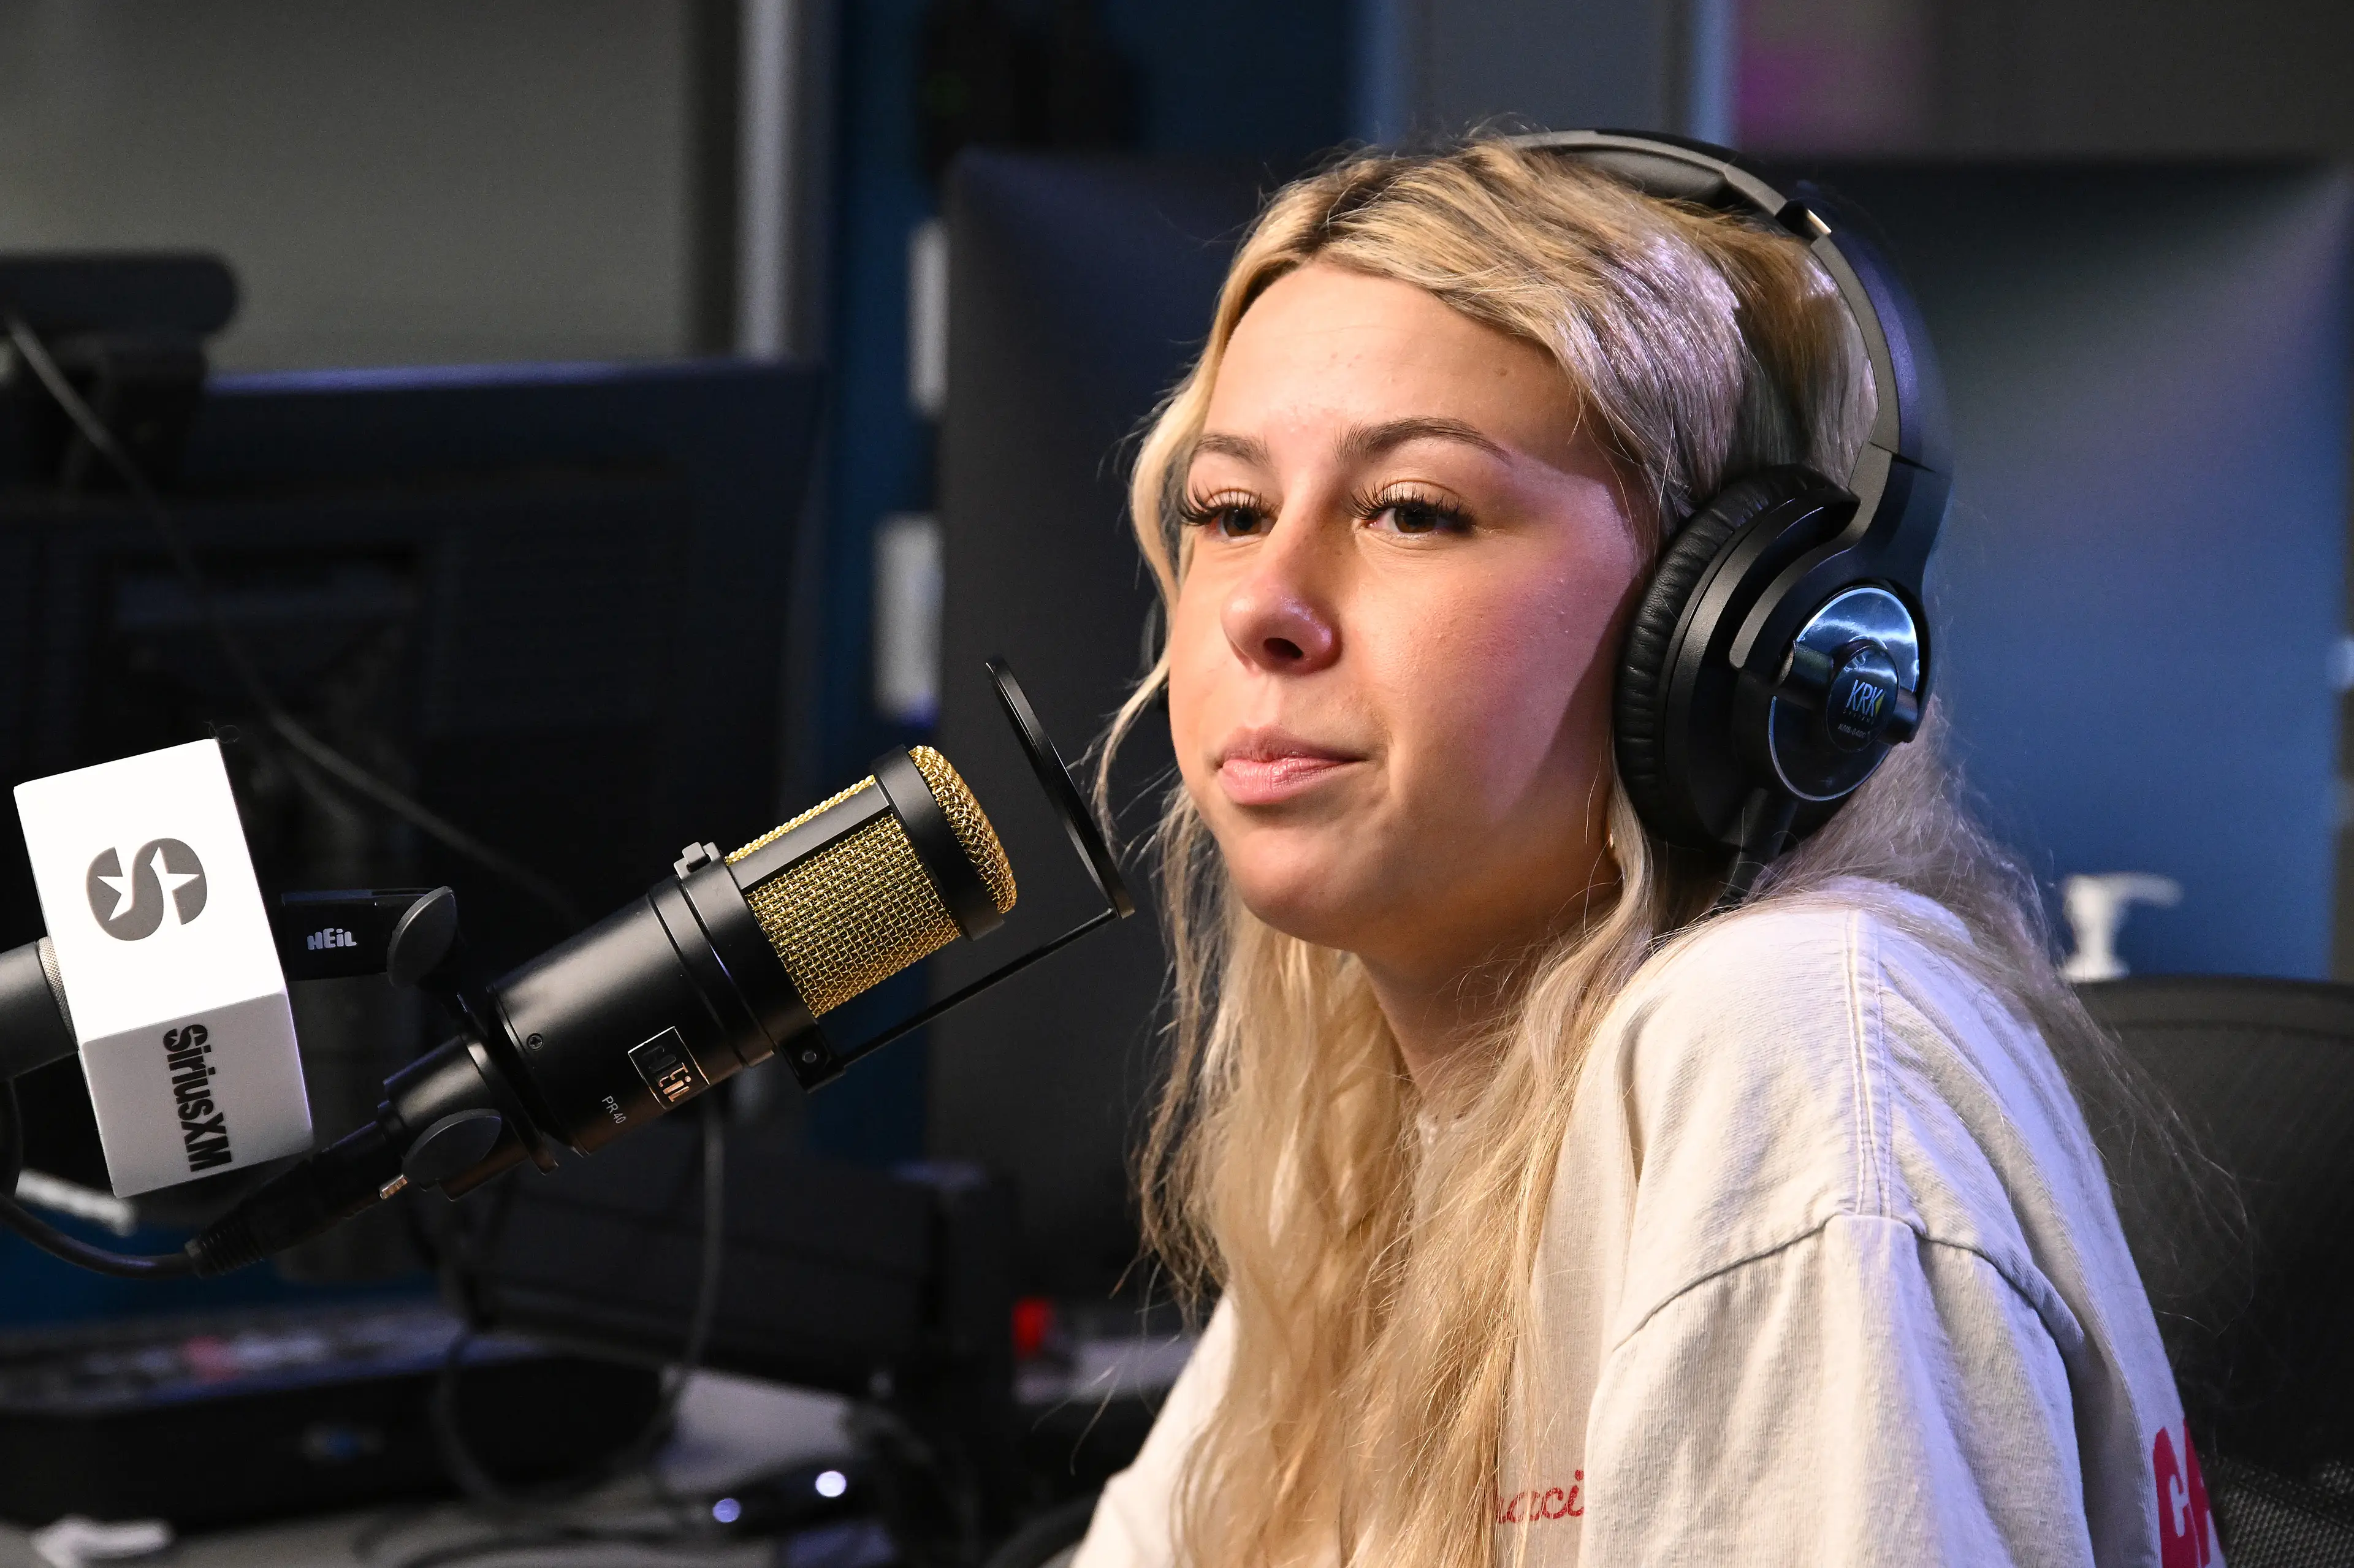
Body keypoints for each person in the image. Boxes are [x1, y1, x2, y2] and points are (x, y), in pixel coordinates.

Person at [1067, 137, 2219, 1567]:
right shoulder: (1374, 1152)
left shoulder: (1783, 1042)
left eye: (1415, 510)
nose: (1264, 608)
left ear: (1727, 639)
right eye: (1230, 513)